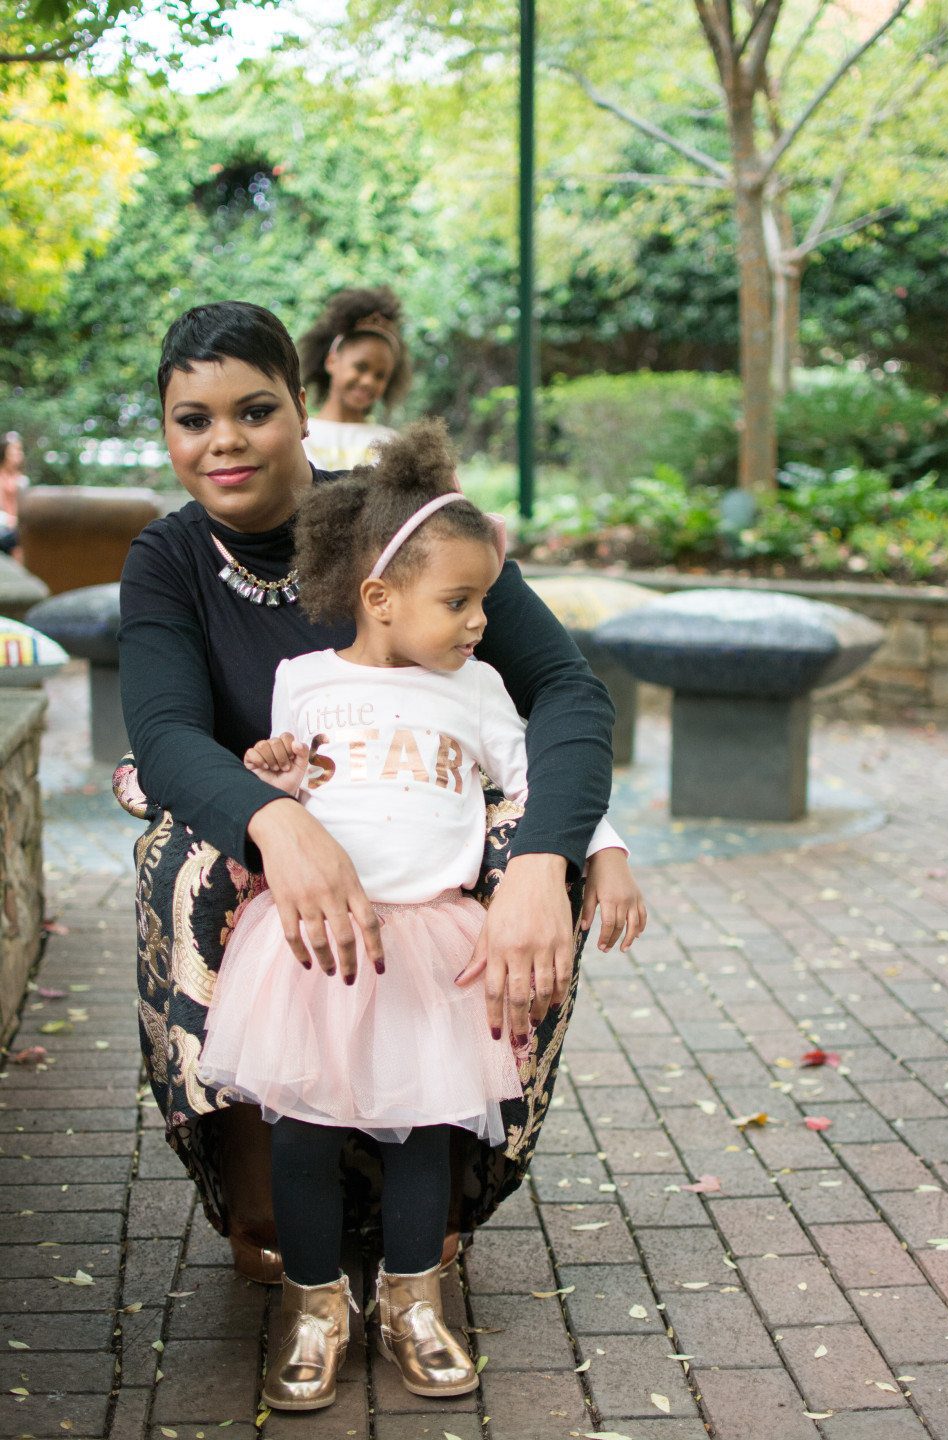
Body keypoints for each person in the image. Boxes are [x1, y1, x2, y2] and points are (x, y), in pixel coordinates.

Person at [116, 300, 642, 1293]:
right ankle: (266, 1204)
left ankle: (439, 1199)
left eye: (255, 410)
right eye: (193, 419)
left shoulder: (399, 525)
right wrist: (277, 823)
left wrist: (546, 860)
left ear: (301, 405)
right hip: (270, 821)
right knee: (180, 861)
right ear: (169, 431)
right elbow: (167, 734)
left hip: (422, 818)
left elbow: (566, 691)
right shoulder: (169, 559)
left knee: (536, 852)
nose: (224, 441)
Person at [195, 419, 642, 1410]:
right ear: (380, 599)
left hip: (432, 940)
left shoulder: (477, 691)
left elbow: (540, 780)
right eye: (458, 601)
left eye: (484, 599)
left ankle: (414, 1300)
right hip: (321, 947)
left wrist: (604, 852)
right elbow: (287, 783)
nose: (481, 621)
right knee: (303, 1134)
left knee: (422, 1135)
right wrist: (270, 771)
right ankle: (315, 1306)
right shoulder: (306, 681)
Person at [298, 286, 410, 470]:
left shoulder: (391, 443)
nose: (368, 381)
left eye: (380, 375)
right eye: (360, 367)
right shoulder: (300, 435)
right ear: (331, 361)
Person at [0, 431, 28, 557]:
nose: (18, 453)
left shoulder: (22, 480)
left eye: (19, 449)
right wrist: (11, 521)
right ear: (4, 452)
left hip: (19, 528)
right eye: (14, 449)